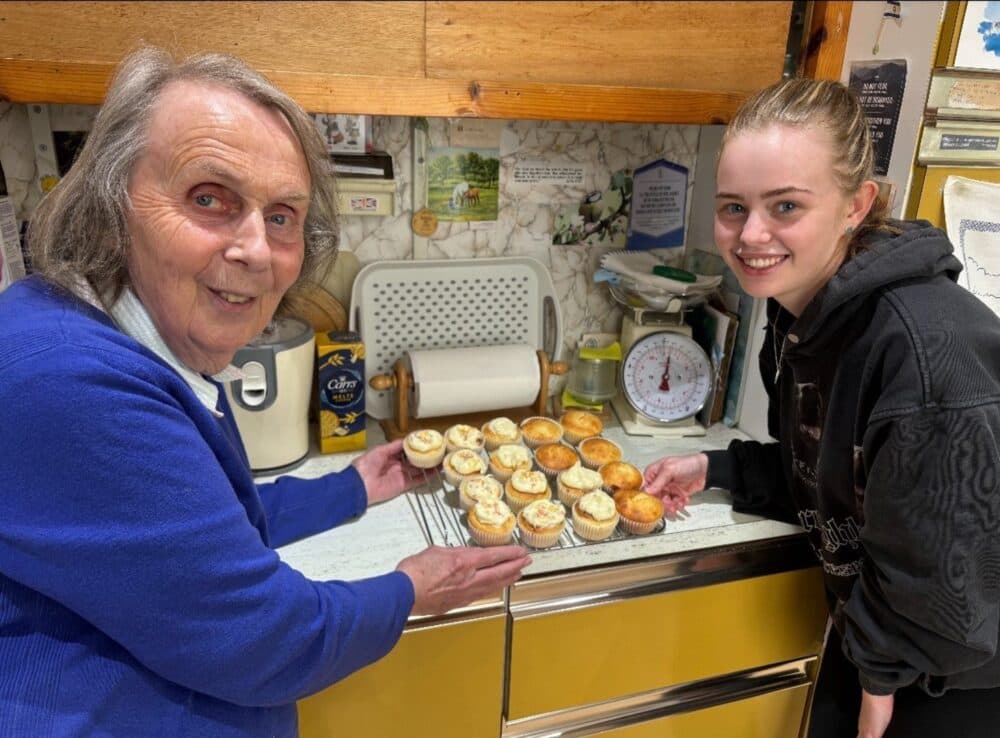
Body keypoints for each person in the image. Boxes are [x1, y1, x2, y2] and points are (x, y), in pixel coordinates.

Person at [0, 47, 530, 738]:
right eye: (209, 198)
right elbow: (264, 639)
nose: (256, 249)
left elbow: (198, 526)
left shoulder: (106, 336)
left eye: (282, 215)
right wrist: (411, 589)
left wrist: (352, 486)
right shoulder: (71, 382)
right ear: (111, 202)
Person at [643, 77, 1000, 738]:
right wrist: (717, 469)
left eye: (785, 206)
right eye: (732, 208)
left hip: (954, 679)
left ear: (855, 204)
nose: (751, 234)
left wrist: (875, 688)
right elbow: (838, 473)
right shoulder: (799, 316)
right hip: (877, 645)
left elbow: (951, 577)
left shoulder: (920, 350)